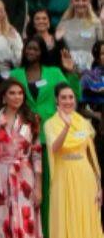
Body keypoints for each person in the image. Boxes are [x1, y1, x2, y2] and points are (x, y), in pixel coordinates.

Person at [10, 36, 82, 232]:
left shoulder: (54, 72)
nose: (31, 52)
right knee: (27, 190)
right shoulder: (15, 74)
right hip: (24, 138)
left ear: (42, 51)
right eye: (28, 48)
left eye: (35, 48)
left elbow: (74, 96)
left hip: (50, 137)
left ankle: (51, 231)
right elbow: (7, 98)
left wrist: (70, 72)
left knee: (49, 190)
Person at [0, 78, 43, 238]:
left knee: (26, 218)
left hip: (25, 175)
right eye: (12, 93)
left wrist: (38, 187)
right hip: (1, 174)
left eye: (20, 93)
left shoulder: (32, 120)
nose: (17, 97)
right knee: (2, 218)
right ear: (4, 96)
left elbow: (37, 154)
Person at [44, 83, 104, 238]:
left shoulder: (84, 122)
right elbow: (54, 148)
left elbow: (91, 155)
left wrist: (99, 186)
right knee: (66, 218)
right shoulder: (50, 124)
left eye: (71, 97)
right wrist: (66, 127)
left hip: (86, 176)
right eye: (63, 97)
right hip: (63, 177)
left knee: (87, 218)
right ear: (56, 100)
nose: (68, 101)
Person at [56, 0, 104, 73]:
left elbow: (101, 45)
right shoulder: (63, 23)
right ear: (72, 2)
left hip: (92, 68)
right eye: (77, 0)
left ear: (89, 2)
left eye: (84, 0)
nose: (80, 3)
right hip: (69, 66)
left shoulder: (96, 23)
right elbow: (58, 46)